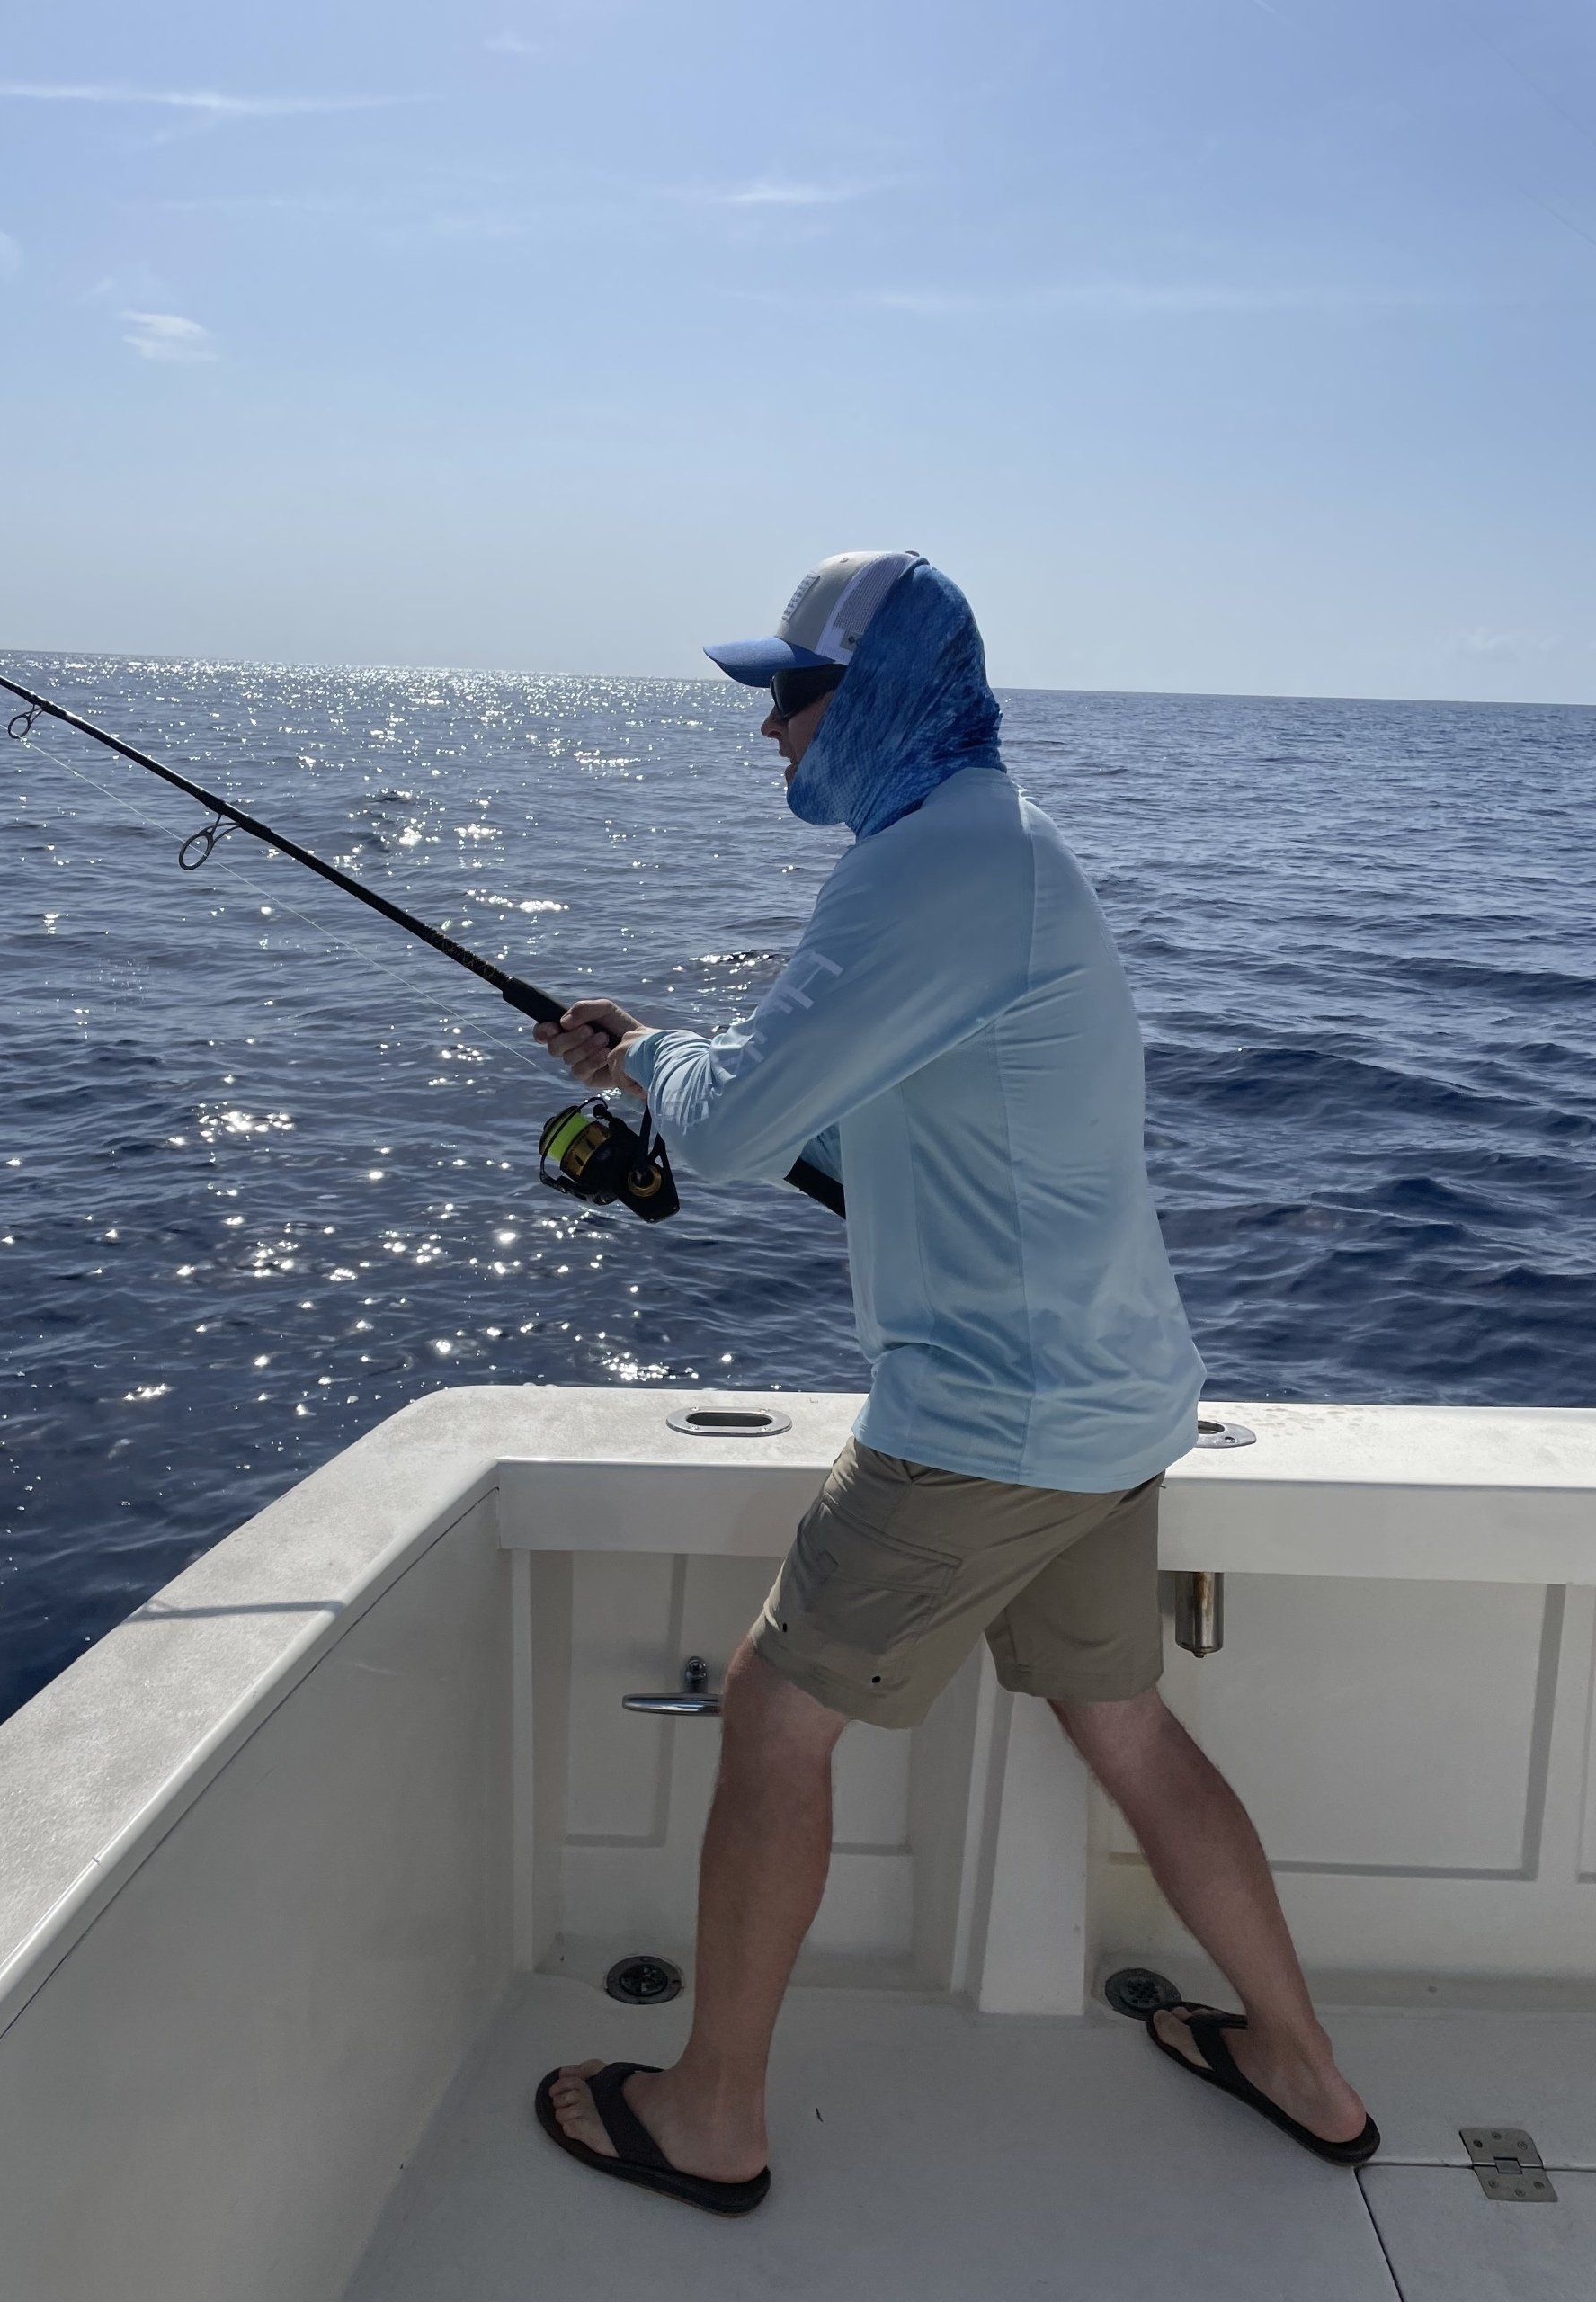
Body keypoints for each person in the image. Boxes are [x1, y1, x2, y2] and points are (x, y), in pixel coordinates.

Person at [532, 550, 1377, 2216]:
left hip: (991, 1420)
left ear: (887, 694)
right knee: (1124, 1725)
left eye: (793, 692)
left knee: (776, 1723)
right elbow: (873, 1124)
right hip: (1114, 1399)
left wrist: (653, 1065)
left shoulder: (926, 868)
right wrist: (666, 1062)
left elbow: (730, 1125)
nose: (768, 727)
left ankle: (712, 2115)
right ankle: (1303, 2065)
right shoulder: (1000, 850)